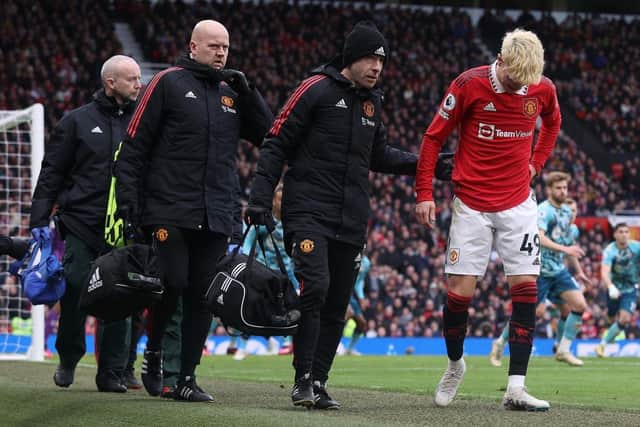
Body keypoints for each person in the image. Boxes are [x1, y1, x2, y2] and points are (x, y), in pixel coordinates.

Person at [247, 21, 451, 409]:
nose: (377, 67)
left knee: (338, 303)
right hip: (307, 210)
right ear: (351, 57)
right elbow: (276, 141)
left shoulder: (374, 103)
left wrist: (431, 164)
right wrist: (259, 198)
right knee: (317, 288)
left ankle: (320, 381)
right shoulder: (314, 89)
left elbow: (381, 157)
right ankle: (302, 379)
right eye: (371, 58)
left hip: (352, 219)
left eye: (382, 60)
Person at [114, 20, 273, 402]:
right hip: (169, 206)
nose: (221, 52)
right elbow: (134, 146)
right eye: (214, 46)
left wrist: (248, 93)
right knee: (172, 282)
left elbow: (268, 134)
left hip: (217, 208)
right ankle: (153, 354)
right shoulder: (167, 83)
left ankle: (186, 377)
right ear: (193, 46)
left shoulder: (230, 92)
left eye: (226, 47)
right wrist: (128, 207)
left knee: (205, 294)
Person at [415, 28, 561, 411]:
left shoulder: (541, 88)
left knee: (526, 290)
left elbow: (553, 124)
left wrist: (536, 163)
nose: (521, 87)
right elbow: (433, 139)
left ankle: (516, 387)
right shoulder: (469, 84)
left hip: (518, 205)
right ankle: (454, 364)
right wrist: (424, 193)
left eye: (527, 80)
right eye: (516, 79)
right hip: (472, 205)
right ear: (501, 60)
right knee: (459, 295)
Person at [29, 55, 142, 392]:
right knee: (77, 289)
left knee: (120, 298)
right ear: (111, 82)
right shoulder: (76, 122)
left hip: (124, 227)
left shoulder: (142, 122)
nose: (139, 84)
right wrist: (39, 218)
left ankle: (111, 371)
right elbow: (52, 173)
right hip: (81, 223)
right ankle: (68, 357)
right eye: (132, 79)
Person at [489, 176, 590, 367]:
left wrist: (579, 271)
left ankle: (563, 350)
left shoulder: (567, 213)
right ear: (550, 189)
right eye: (558, 187)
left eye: (565, 187)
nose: (563, 191)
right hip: (539, 268)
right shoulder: (544, 210)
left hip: (558, 270)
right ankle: (499, 343)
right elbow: (540, 238)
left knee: (578, 305)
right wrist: (565, 250)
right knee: (533, 313)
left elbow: (569, 245)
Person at [595, 223, 640, 357]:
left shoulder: (636, 247)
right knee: (611, 317)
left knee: (625, 318)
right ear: (615, 235)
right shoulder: (610, 251)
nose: (624, 234)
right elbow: (604, 271)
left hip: (630, 289)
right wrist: (610, 287)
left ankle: (602, 346)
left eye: (626, 232)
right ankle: (614, 331)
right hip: (614, 289)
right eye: (621, 232)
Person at [345, 254, 370, 355]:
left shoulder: (366, 263)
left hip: (351, 294)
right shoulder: (348, 256)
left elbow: (359, 281)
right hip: (340, 291)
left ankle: (350, 349)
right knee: (346, 315)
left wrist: (361, 297)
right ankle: (332, 347)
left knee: (362, 323)